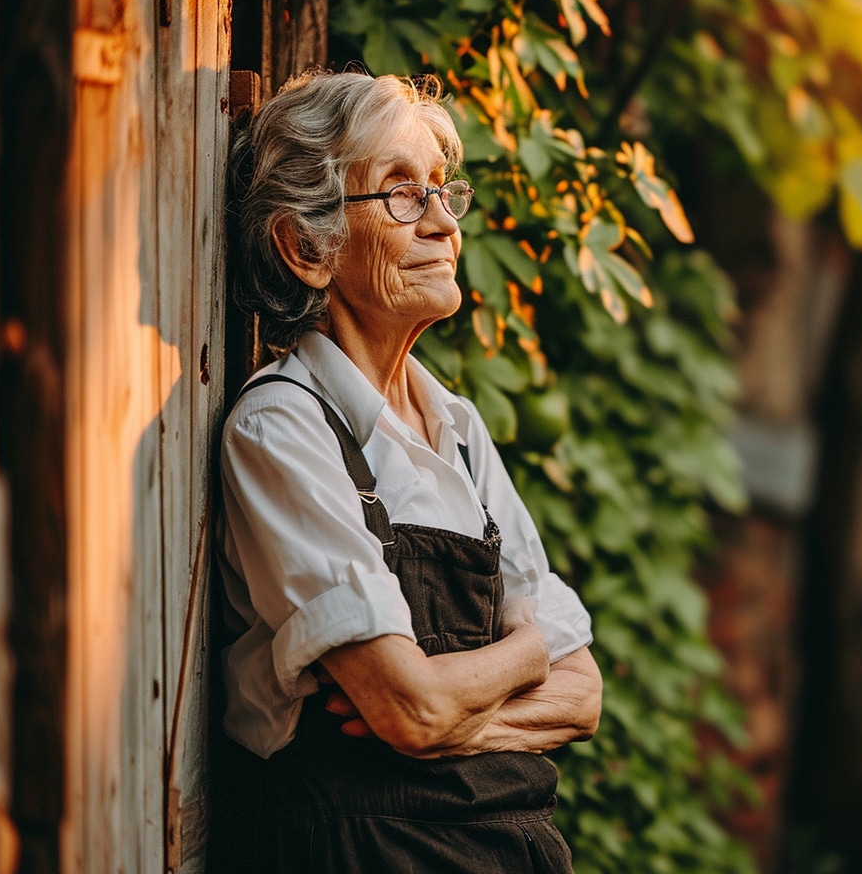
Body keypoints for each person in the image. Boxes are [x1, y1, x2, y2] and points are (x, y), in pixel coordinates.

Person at [218, 70, 602, 873]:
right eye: (399, 193)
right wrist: (524, 653)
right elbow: (409, 706)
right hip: (375, 851)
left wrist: (462, 715)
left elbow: (583, 692)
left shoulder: (457, 428)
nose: (442, 224)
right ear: (308, 247)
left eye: (441, 190)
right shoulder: (282, 426)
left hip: (514, 844)